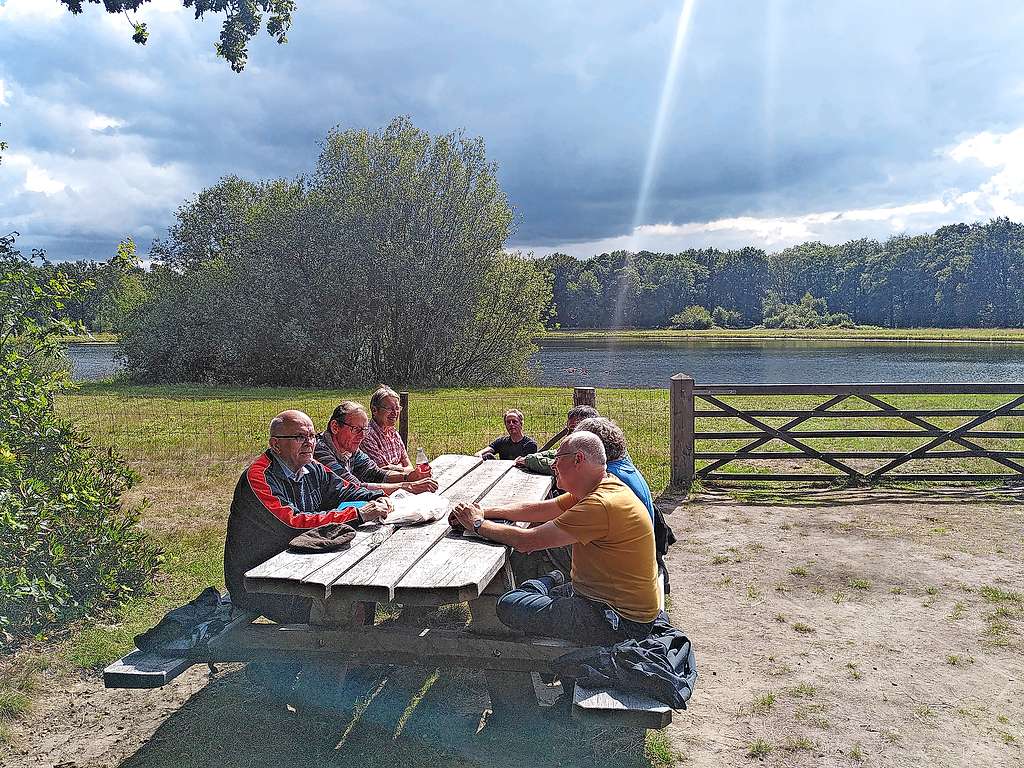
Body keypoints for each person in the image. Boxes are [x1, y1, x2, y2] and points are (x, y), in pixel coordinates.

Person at [452, 431, 659, 645]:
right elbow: (536, 510)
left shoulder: (600, 504)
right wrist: (483, 512)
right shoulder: (600, 486)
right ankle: (550, 581)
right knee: (526, 599)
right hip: (600, 598)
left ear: (578, 459)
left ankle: (550, 580)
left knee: (508, 604)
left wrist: (477, 525)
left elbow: (527, 542)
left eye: (557, 458)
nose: (553, 465)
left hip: (618, 621)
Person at [224, 409, 391, 624]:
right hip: (259, 580)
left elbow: (345, 488)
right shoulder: (258, 477)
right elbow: (292, 524)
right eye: (300, 437)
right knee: (341, 600)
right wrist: (358, 514)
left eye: (312, 436)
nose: (309, 443)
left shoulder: (310, 466)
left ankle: (356, 647)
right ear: (275, 444)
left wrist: (377, 497)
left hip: (299, 561)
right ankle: (342, 651)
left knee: (362, 580)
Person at [314, 401, 437, 496]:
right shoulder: (320, 451)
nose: (362, 436)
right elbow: (353, 487)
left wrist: (410, 476)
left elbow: (374, 472)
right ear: (335, 427)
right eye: (356, 429)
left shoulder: (350, 449)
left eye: (365, 430)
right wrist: (406, 486)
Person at [515, 404, 599, 475]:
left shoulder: (591, 451)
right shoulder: (583, 445)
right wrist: (532, 457)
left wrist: (529, 461)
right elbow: (557, 453)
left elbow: (561, 466)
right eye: (568, 429)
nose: (568, 435)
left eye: (573, 429)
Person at [360, 385, 412, 470]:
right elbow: (384, 472)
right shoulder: (367, 436)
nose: (395, 413)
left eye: (397, 408)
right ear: (374, 410)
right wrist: (401, 466)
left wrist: (396, 468)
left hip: (402, 481)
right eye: (389, 409)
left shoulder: (393, 432)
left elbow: (409, 466)